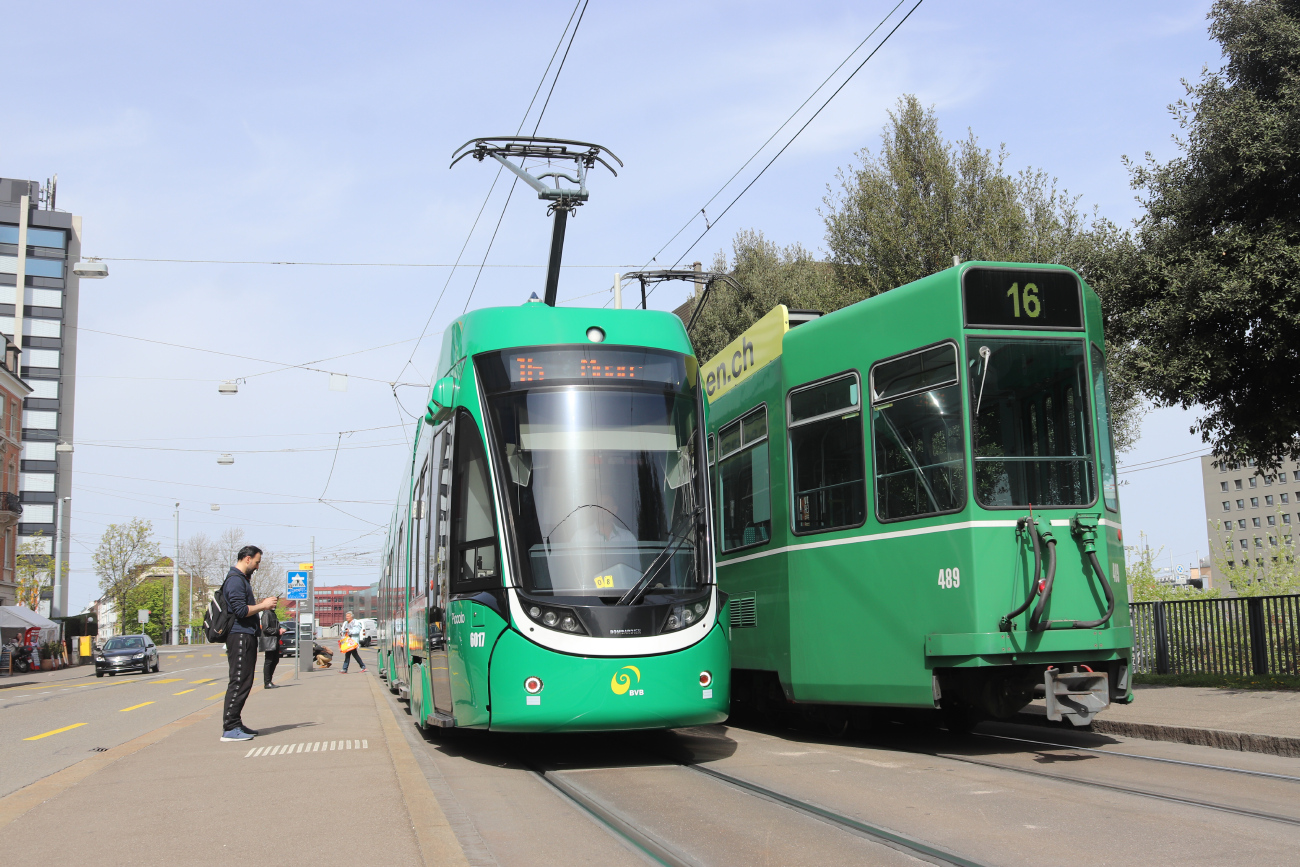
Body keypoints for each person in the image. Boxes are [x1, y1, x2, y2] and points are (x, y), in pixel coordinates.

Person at [220, 546, 278, 742]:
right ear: (247, 559)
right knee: (239, 680)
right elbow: (240, 611)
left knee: (245, 680)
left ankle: (235, 723)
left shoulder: (240, 579)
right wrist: (263, 606)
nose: (258, 566)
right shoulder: (235, 580)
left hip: (245, 635)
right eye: (257, 562)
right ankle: (230, 727)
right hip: (240, 636)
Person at [258, 605, 286, 689]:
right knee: (269, 661)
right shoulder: (267, 614)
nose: (275, 605)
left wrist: (280, 629)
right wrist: (278, 631)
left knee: (275, 660)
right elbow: (266, 628)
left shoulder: (272, 613)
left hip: (274, 640)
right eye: (273, 603)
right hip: (270, 640)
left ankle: (269, 680)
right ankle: (267, 682)